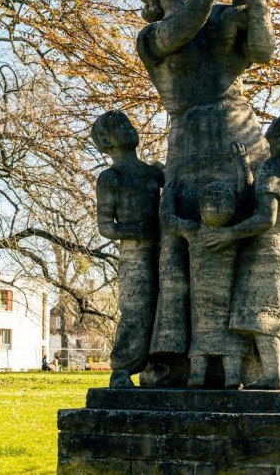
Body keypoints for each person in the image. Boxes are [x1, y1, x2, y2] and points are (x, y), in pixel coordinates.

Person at [133, 0, 276, 385]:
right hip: (190, 142)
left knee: (250, 239)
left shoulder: (216, 18)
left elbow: (262, 49)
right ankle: (178, 361)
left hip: (239, 136)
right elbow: (184, 27)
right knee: (183, 250)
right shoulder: (153, 35)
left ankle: (254, 359)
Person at [202, 108, 280, 389]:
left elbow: (266, 217)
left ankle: (272, 375)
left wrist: (230, 234)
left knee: (261, 315)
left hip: (264, 250)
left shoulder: (271, 168)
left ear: (277, 132)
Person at [92, 110, 165, 388]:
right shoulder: (111, 178)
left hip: (163, 250)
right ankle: (122, 368)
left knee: (163, 306)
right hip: (135, 256)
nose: (128, 128)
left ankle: (160, 366)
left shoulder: (153, 172)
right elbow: (106, 226)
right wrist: (137, 231)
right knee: (136, 309)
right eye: (118, 126)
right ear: (105, 142)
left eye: (127, 122)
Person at [164, 179, 249, 388]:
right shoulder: (228, 234)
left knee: (211, 341)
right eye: (213, 201)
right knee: (215, 342)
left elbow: (169, 219)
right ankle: (218, 377)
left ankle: (209, 376)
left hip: (210, 308)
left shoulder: (198, 231)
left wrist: (168, 196)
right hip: (209, 308)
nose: (218, 206)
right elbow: (246, 199)